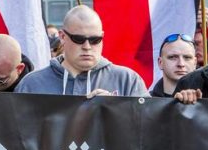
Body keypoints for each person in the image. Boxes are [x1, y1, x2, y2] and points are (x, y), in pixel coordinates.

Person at [14, 6, 148, 97]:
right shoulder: (32, 84)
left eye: (95, 40)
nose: (87, 46)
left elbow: (146, 127)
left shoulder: (127, 81)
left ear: (102, 36)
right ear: (62, 37)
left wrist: (116, 110)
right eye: (78, 39)